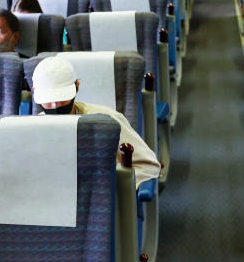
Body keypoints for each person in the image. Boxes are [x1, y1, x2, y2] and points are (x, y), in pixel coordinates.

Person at [30, 56, 161, 187]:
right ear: (34, 91)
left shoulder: (107, 122)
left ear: (77, 87)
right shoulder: (30, 130)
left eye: (61, 98)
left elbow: (148, 166)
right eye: (48, 99)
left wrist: (116, 188)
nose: (55, 106)